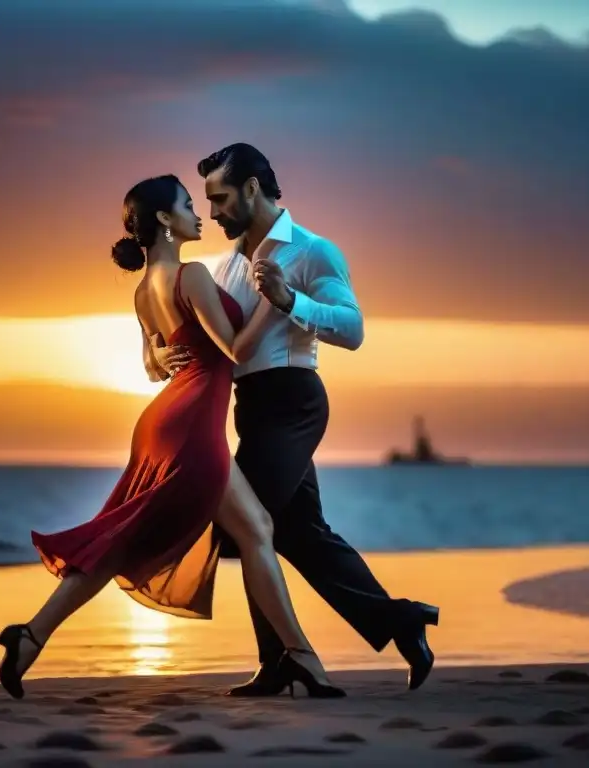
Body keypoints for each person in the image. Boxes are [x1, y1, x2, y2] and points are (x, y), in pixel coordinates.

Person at [0, 174, 343, 701]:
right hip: (193, 425)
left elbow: (153, 364)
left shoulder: (141, 291)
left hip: (162, 422)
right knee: (257, 530)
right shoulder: (193, 275)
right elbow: (236, 352)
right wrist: (275, 301)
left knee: (120, 544)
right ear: (163, 220)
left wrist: (162, 354)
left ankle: (30, 637)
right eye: (186, 206)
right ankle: (302, 659)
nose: (199, 214)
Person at [151, 144, 440, 695]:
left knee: (243, 529)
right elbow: (220, 346)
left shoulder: (312, 252)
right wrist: (162, 355)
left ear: (253, 189)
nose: (211, 213)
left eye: (221, 197)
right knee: (297, 533)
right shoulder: (226, 266)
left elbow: (352, 330)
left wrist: (290, 302)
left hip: (294, 401)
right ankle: (394, 624)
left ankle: (289, 656)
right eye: (206, 200)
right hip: (251, 409)